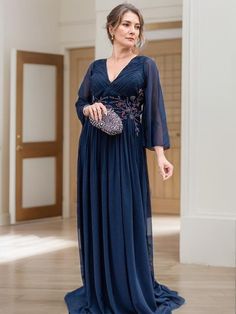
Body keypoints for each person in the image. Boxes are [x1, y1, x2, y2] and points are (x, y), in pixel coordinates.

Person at [64, 3, 186, 313]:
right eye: (127, 25)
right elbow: (81, 103)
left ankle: (128, 286)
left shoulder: (146, 65)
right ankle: (101, 285)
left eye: (137, 27)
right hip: (94, 148)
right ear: (112, 28)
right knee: (99, 212)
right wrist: (88, 109)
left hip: (126, 151)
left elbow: (155, 113)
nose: (133, 31)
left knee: (124, 214)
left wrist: (160, 156)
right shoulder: (94, 68)